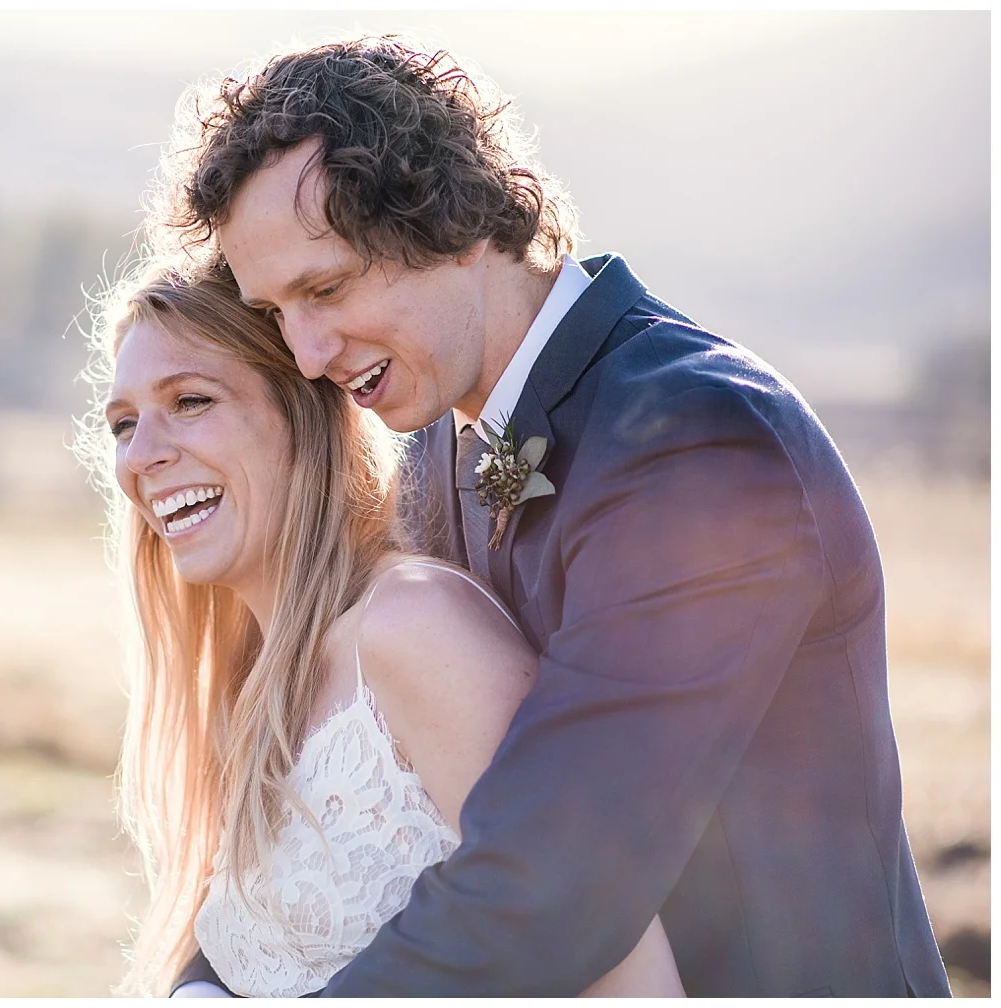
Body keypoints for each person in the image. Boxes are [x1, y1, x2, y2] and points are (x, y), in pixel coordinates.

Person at [151, 36, 951, 997]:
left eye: (327, 288)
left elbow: (559, 882)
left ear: (447, 216)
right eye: (277, 313)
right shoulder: (439, 448)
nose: (310, 351)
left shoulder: (697, 441)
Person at [83, 263, 685, 997]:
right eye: (123, 424)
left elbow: (621, 966)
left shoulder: (413, 629)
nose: (142, 455)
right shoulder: (253, 684)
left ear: (304, 418)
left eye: (190, 400)